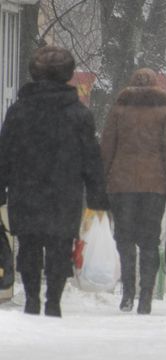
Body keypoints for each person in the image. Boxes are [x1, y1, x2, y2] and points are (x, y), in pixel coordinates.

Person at [0, 46, 109, 317]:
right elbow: (91, 157)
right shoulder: (79, 114)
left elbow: (4, 154)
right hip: (65, 191)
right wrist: (97, 195)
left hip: (26, 190)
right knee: (61, 244)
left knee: (29, 244)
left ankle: (32, 299)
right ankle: (53, 301)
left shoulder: (18, 112)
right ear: (68, 75)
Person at [101, 68, 166, 314]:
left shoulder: (119, 111)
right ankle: (146, 298)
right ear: (155, 86)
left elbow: (107, 146)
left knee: (125, 239)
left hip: (122, 184)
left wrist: (101, 179)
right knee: (150, 242)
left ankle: (128, 293)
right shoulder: (165, 112)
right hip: (154, 186)